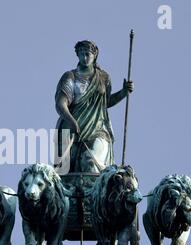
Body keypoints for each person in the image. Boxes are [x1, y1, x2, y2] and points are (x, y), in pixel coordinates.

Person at [55, 40, 134, 173]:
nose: (85, 58)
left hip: (98, 128)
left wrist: (123, 93)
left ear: (95, 55)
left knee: (90, 161)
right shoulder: (70, 76)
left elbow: (105, 102)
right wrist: (71, 121)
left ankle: (101, 191)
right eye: (82, 54)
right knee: (64, 172)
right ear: (77, 55)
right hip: (72, 128)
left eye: (88, 54)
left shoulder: (103, 78)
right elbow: (61, 104)